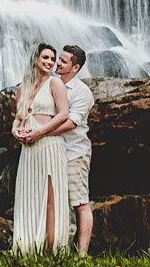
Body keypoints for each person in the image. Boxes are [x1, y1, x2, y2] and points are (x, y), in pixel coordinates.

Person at [11, 43, 70, 254]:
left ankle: (52, 248)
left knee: (50, 197)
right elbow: (18, 119)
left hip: (49, 145)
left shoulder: (55, 83)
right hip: (29, 148)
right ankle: (29, 245)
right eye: (45, 57)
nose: (49, 62)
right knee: (29, 195)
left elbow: (64, 114)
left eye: (53, 59)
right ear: (36, 59)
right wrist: (15, 132)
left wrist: (41, 131)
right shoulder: (23, 89)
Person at [50, 45, 95, 255]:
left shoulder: (82, 92)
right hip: (52, 152)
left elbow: (72, 123)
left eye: (63, 61)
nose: (58, 63)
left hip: (74, 153)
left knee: (79, 203)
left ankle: (82, 254)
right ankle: (59, 249)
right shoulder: (52, 84)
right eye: (59, 59)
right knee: (56, 202)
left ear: (75, 68)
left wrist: (42, 132)